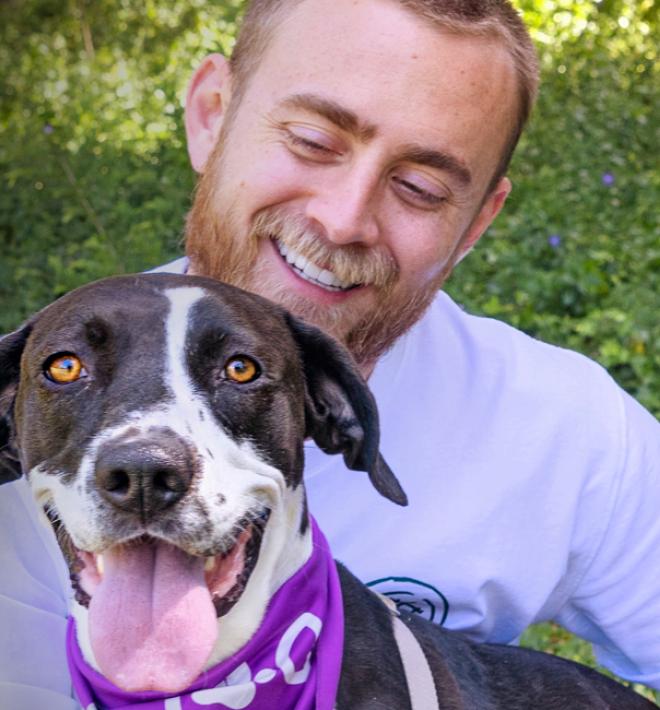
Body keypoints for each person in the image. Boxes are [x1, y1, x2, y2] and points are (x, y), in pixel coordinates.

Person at [0, 0, 658, 706]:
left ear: (476, 224)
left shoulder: (576, 435)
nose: (342, 219)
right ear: (212, 114)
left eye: (421, 188)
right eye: (313, 141)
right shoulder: (36, 385)